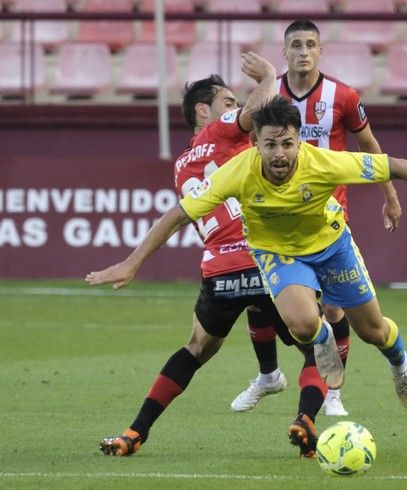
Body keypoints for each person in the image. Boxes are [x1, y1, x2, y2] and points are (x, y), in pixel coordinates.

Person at [86, 95, 407, 455]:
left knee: (374, 331)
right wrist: (132, 262)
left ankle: (400, 362)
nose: (280, 153)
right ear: (254, 144)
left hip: (333, 248)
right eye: (270, 145)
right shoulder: (237, 171)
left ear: (299, 140)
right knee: (303, 325)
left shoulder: (323, 163)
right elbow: (178, 214)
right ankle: (323, 345)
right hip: (278, 254)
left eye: (287, 143)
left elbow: (397, 166)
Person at [94, 57, 333, 459]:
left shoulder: (182, 163)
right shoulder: (223, 131)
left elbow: (179, 216)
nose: (236, 106)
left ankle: (134, 433)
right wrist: (271, 77)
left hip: (220, 271)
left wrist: (132, 262)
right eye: (228, 100)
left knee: (196, 348)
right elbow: (260, 110)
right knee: (321, 342)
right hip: (265, 257)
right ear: (204, 111)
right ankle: (307, 419)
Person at [231, 19, 402, 417]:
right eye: (296, 45)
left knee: (333, 308)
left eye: (311, 44)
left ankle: (333, 392)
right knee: (262, 300)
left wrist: (389, 195)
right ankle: (269, 374)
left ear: (320, 51)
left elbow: (370, 148)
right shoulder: (269, 100)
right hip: (273, 213)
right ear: (284, 52)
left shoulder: (342, 96)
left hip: (326, 211)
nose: (304, 51)